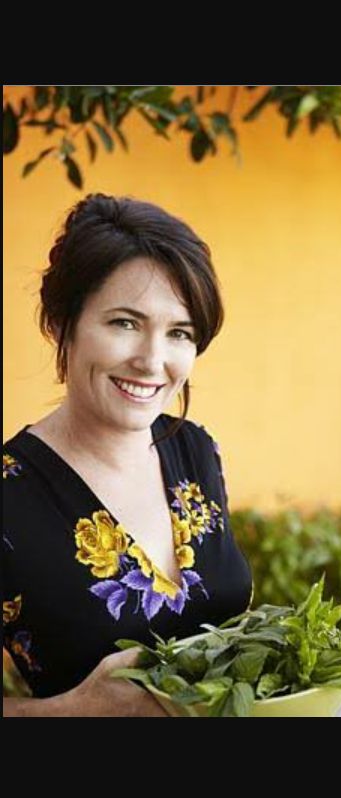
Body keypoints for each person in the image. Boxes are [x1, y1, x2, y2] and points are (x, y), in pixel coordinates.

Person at [3, 193, 253, 716]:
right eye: (125, 323)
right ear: (62, 323)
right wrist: (74, 710)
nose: (152, 360)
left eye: (179, 333)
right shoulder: (10, 495)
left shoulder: (197, 450)